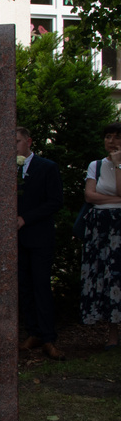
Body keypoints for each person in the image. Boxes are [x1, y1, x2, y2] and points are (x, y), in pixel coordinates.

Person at [16, 126, 65, 359]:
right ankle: (32, 333)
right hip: (15, 240)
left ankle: (48, 338)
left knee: (41, 286)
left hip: (39, 237)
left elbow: (55, 201)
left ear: (28, 142)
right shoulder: (6, 169)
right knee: (23, 287)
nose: (13, 146)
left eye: (16, 141)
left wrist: (26, 218)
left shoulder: (47, 167)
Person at [80, 122, 121, 351]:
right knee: (106, 278)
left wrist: (118, 165)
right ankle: (112, 333)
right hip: (101, 228)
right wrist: (115, 201)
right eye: (108, 136)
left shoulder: (118, 164)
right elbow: (89, 196)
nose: (111, 141)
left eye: (116, 137)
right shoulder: (95, 166)